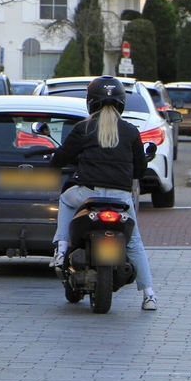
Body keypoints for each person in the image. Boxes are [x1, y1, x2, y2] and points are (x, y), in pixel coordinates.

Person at [48, 76, 158, 311]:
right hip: (121, 199)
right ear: (121, 102)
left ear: (91, 101)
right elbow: (140, 170)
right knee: (134, 243)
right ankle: (149, 295)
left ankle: (62, 249)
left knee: (65, 200)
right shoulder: (131, 131)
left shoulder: (84, 128)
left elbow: (60, 158)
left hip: (88, 195)